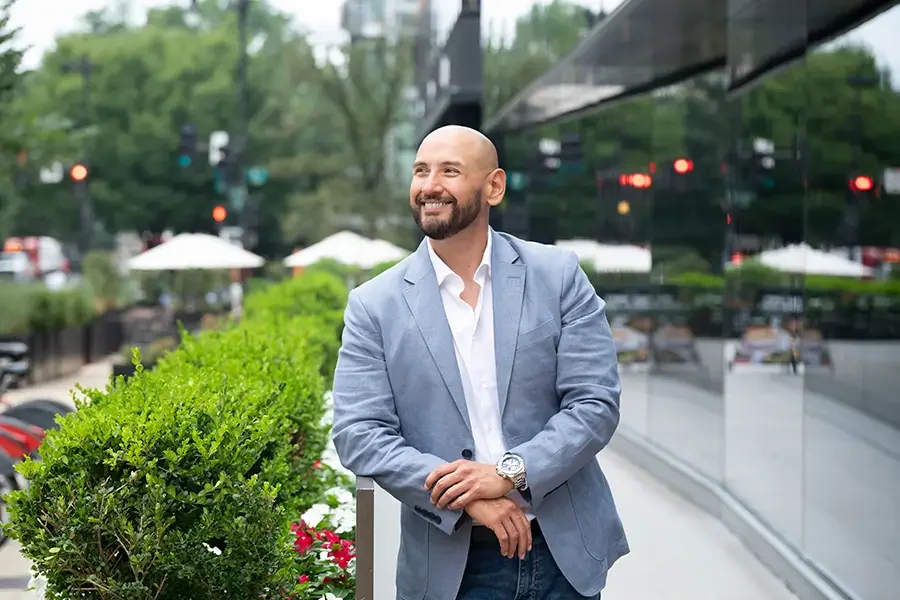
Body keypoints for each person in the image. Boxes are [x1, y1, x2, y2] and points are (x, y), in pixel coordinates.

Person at [332, 125, 628, 600]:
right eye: (421, 171)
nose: (430, 185)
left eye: (450, 171)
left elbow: (595, 405)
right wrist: (469, 500)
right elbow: (359, 434)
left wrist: (509, 472)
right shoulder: (373, 305)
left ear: (494, 186)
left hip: (563, 558)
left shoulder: (558, 276)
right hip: (452, 567)